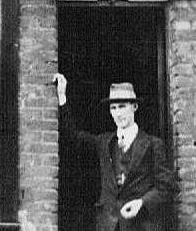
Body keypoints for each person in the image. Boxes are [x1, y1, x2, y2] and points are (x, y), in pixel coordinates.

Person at [53, 73, 176, 231]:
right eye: (113, 108)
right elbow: (74, 136)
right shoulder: (104, 142)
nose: (118, 113)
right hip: (108, 225)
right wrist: (62, 96)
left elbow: (167, 187)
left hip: (141, 225)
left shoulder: (152, 144)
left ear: (135, 107)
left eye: (122, 106)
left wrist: (142, 203)